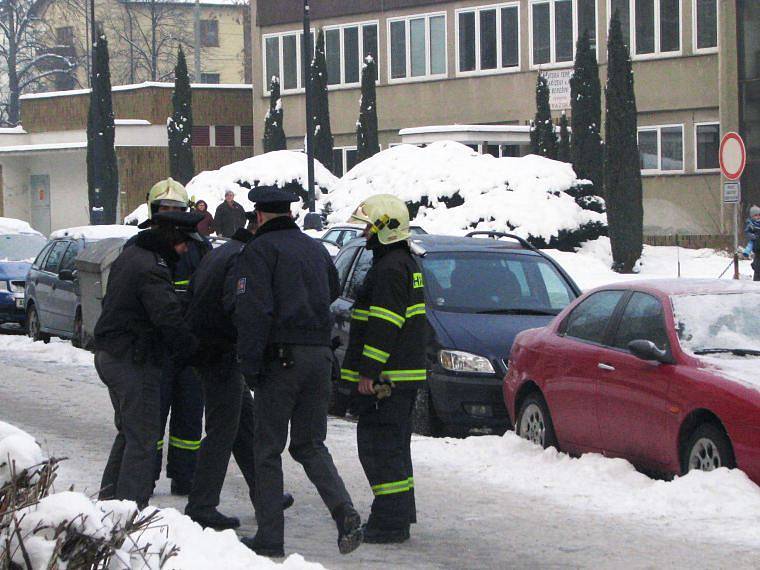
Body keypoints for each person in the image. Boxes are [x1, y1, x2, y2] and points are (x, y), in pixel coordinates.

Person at [233, 183, 363, 558]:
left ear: (258, 216)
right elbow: (334, 289)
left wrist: (251, 365)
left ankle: (270, 536)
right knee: (310, 444)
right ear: (289, 213)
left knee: (267, 448)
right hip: (320, 357)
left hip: (281, 360)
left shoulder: (258, 251)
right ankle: (344, 512)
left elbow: (253, 311)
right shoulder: (315, 247)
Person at [183, 211, 293, 530]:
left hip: (209, 349)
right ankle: (202, 504)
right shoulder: (243, 258)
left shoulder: (223, 251)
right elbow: (239, 307)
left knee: (245, 424)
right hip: (220, 353)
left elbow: (194, 295)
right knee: (223, 429)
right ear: (257, 228)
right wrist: (255, 348)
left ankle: (265, 494)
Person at [93, 211, 202, 509]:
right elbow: (167, 317)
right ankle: (130, 512)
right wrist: (195, 350)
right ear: (172, 237)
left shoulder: (132, 255)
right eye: (184, 243)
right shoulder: (152, 267)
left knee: (129, 433)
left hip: (110, 355)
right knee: (143, 439)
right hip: (132, 360)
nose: (186, 249)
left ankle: (108, 501)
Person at [338, 194, 427, 544]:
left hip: (387, 379)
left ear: (385, 228)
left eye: (369, 227)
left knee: (378, 448)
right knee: (392, 447)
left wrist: (369, 372)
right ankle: (396, 515)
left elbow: (384, 325)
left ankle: (389, 522)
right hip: (400, 375)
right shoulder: (404, 263)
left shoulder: (390, 269)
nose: (364, 234)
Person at [134, 179, 209, 496]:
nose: (170, 217)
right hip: (155, 348)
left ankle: (185, 475)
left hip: (191, 348)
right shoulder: (140, 247)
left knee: (190, 416)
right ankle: (145, 474)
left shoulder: (201, 248)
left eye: (176, 210)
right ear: (153, 211)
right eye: (164, 210)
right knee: (151, 416)